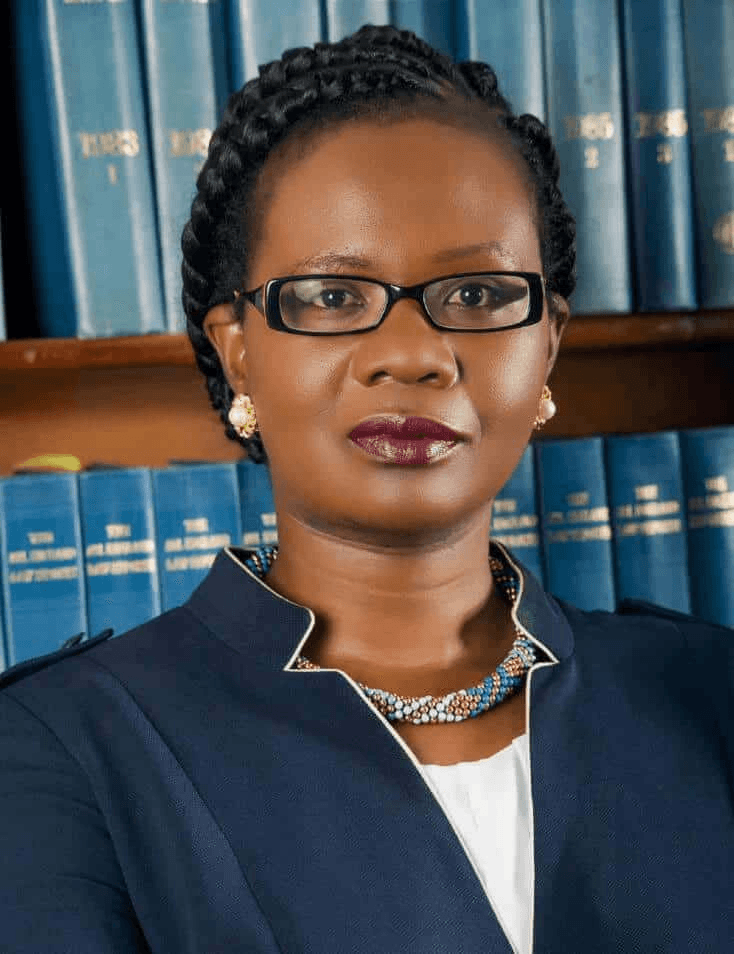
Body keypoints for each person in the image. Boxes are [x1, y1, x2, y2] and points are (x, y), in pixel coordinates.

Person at [1, 24, 732, 954]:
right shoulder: (58, 749)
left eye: (475, 295)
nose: (413, 354)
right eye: (334, 298)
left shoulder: (709, 696)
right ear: (238, 356)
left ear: (545, 344)